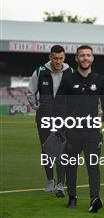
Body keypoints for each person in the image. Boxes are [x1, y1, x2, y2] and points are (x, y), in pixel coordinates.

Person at [55, 45, 104, 212]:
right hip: (73, 132)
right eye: (82, 56)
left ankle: (95, 198)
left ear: (92, 58)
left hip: (93, 132)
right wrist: (61, 126)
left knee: (93, 166)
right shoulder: (68, 79)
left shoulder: (99, 80)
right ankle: (72, 197)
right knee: (71, 166)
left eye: (88, 55)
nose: (85, 58)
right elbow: (59, 104)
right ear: (77, 59)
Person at [27, 44, 72, 197]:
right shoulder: (40, 71)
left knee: (61, 150)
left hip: (63, 118)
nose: (58, 61)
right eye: (55, 58)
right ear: (50, 57)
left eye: (61, 58)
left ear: (64, 58)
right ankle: (50, 180)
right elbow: (30, 91)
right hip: (44, 117)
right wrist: (36, 106)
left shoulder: (70, 72)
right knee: (46, 149)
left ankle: (60, 183)